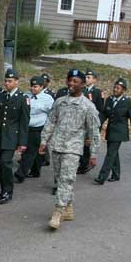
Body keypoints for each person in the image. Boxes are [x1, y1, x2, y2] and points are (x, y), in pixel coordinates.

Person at [40, 69, 101, 230]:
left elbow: (94, 132)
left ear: (82, 84)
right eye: (70, 80)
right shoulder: (60, 102)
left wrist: (93, 154)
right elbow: (51, 122)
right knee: (60, 179)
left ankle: (58, 212)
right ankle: (69, 208)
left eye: (75, 81)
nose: (71, 84)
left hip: (73, 149)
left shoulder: (88, 106)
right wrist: (44, 140)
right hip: (57, 146)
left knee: (67, 179)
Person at [0, 68, 30, 204]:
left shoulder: (22, 98)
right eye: (6, 81)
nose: (7, 83)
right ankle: (3, 190)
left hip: (12, 137)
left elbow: (24, 122)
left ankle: (8, 192)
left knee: (5, 163)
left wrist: (22, 142)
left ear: (17, 82)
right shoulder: (2, 96)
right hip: (0, 137)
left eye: (10, 81)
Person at [95, 78, 131, 185]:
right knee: (113, 153)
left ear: (123, 90)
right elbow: (105, 114)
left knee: (110, 153)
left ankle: (102, 176)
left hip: (120, 132)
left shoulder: (127, 101)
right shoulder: (109, 99)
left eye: (118, 88)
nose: (115, 89)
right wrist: (97, 126)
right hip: (110, 131)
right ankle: (116, 174)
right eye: (114, 87)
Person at [15, 75, 54, 183]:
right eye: (32, 86)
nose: (33, 89)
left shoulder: (48, 99)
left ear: (41, 87)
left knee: (29, 151)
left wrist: (49, 130)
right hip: (25, 127)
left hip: (38, 128)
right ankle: (36, 171)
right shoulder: (26, 96)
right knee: (34, 151)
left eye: (36, 87)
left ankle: (20, 173)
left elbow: (52, 115)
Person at [78, 70, 104, 174]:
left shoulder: (97, 92)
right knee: (81, 143)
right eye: (85, 77)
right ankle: (82, 162)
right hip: (81, 122)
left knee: (88, 144)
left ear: (94, 80)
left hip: (91, 122)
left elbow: (100, 110)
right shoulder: (81, 90)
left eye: (89, 77)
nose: (86, 79)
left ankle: (84, 165)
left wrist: (98, 124)